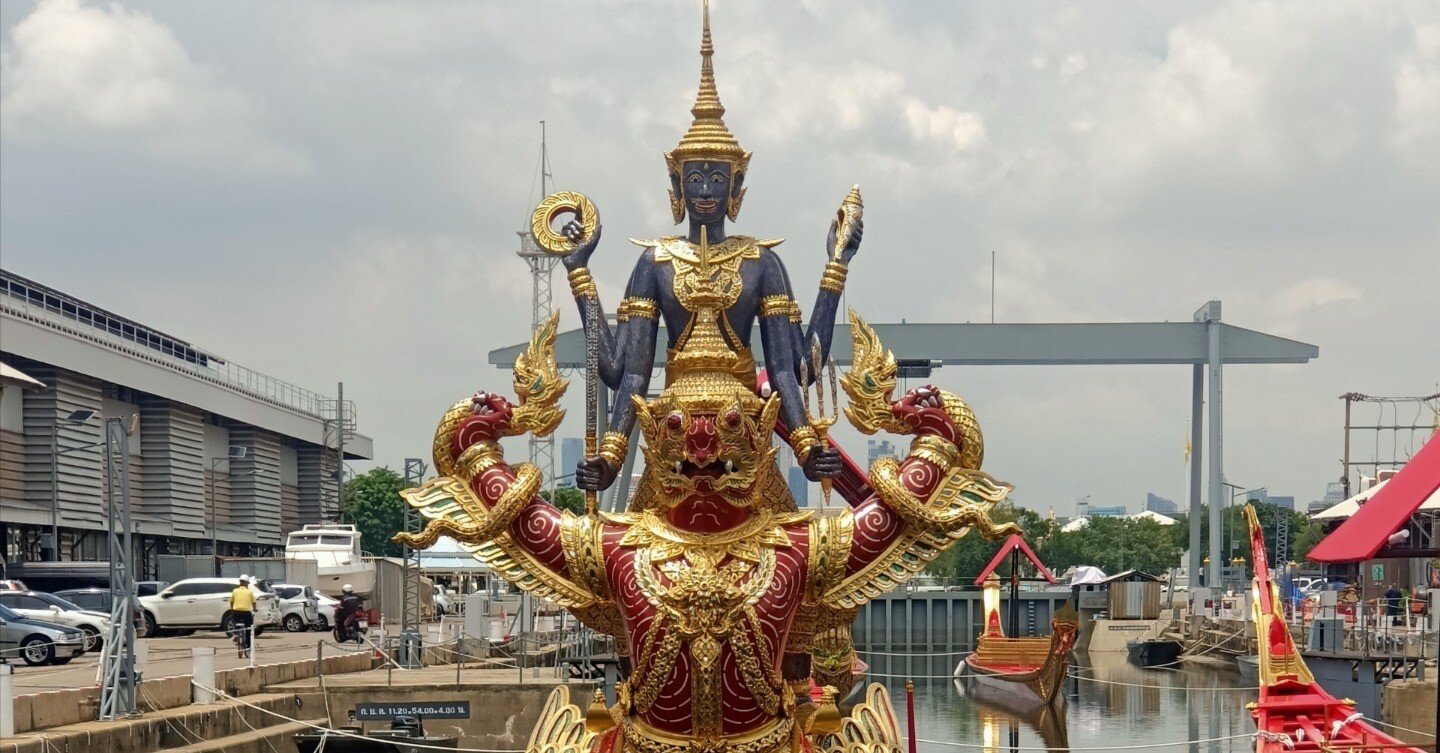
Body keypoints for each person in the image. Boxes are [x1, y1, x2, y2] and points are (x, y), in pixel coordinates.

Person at [229, 576, 255, 658]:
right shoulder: (249, 592)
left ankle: (236, 634)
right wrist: (255, 609)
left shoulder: (235, 591)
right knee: (248, 629)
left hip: (236, 612)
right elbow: (253, 603)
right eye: (247, 583)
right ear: (246, 583)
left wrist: (232, 609)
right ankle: (248, 648)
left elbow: (231, 602)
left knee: (235, 622)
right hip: (246, 613)